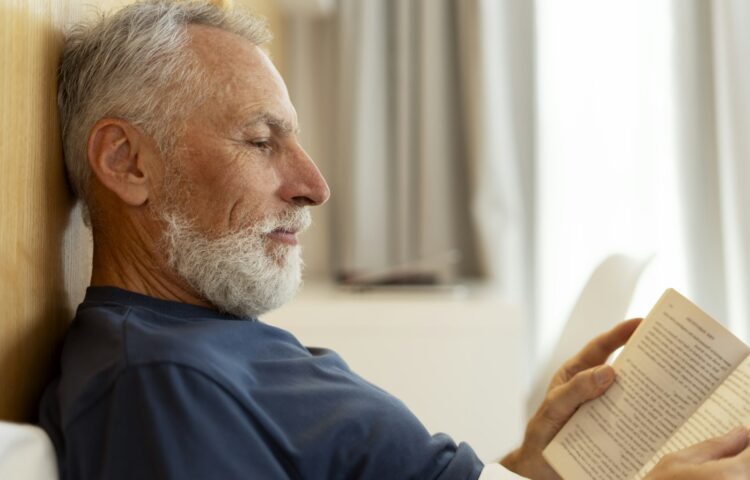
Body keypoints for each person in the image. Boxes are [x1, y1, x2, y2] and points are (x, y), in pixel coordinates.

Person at [38, 1, 750, 479]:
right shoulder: (160, 382)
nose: (313, 184)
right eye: (261, 141)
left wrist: (527, 464)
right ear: (127, 163)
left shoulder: (205, 335)